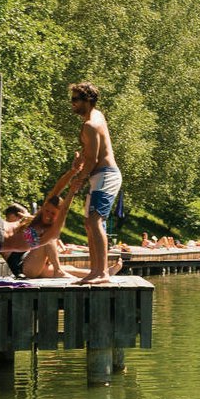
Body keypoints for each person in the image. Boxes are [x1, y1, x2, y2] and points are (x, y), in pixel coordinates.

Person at [46, 82, 124, 283]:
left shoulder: (90, 125)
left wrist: (79, 179)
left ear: (87, 100)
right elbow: (91, 151)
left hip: (105, 176)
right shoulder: (97, 116)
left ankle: (102, 273)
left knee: (95, 221)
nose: (72, 103)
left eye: (75, 99)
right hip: (101, 176)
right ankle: (95, 271)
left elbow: (93, 159)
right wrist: (80, 161)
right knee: (89, 223)